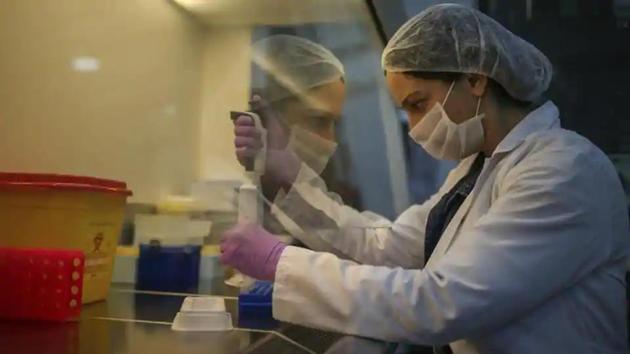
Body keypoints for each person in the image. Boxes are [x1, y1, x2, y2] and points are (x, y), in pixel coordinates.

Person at [222, 4, 630, 354]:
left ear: (474, 78)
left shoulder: (564, 172)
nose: (415, 128)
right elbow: (380, 245)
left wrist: (281, 262)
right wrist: (284, 170)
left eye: (418, 104)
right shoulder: (477, 170)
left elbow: (440, 302)